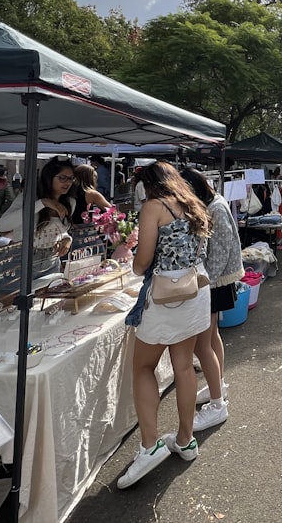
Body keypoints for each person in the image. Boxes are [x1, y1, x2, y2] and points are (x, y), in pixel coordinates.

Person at [118, 161, 212, 489]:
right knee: (184, 366)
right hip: (196, 288)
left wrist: (133, 257)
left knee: (143, 367)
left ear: (148, 184)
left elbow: (141, 263)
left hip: (167, 295)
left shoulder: (153, 207)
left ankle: (150, 445)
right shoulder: (192, 204)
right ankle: (185, 440)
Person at [178, 167, 244, 431]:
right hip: (214, 279)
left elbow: (223, 248)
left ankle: (217, 403)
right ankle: (218, 385)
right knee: (211, 337)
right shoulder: (214, 203)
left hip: (215, 280)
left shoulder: (215, 207)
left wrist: (207, 282)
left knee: (202, 343)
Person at [0, 157, 76, 279]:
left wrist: (66, 238)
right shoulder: (28, 198)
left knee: (50, 298)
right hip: (20, 257)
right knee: (12, 298)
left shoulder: (70, 202)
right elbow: (3, 225)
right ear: (49, 178)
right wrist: (42, 203)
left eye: (71, 178)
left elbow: (59, 229)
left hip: (50, 258)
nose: (67, 182)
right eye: (62, 178)